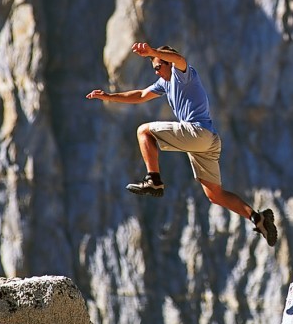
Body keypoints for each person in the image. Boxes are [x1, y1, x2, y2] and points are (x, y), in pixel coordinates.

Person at [86, 42, 278, 246]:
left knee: (143, 131)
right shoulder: (164, 83)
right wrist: (109, 97)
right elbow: (141, 95)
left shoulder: (182, 73)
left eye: (159, 67)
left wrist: (152, 51)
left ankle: (154, 180)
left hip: (197, 132)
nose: (157, 72)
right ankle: (258, 218)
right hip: (207, 141)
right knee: (215, 195)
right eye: (154, 69)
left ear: (168, 63)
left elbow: (179, 59)